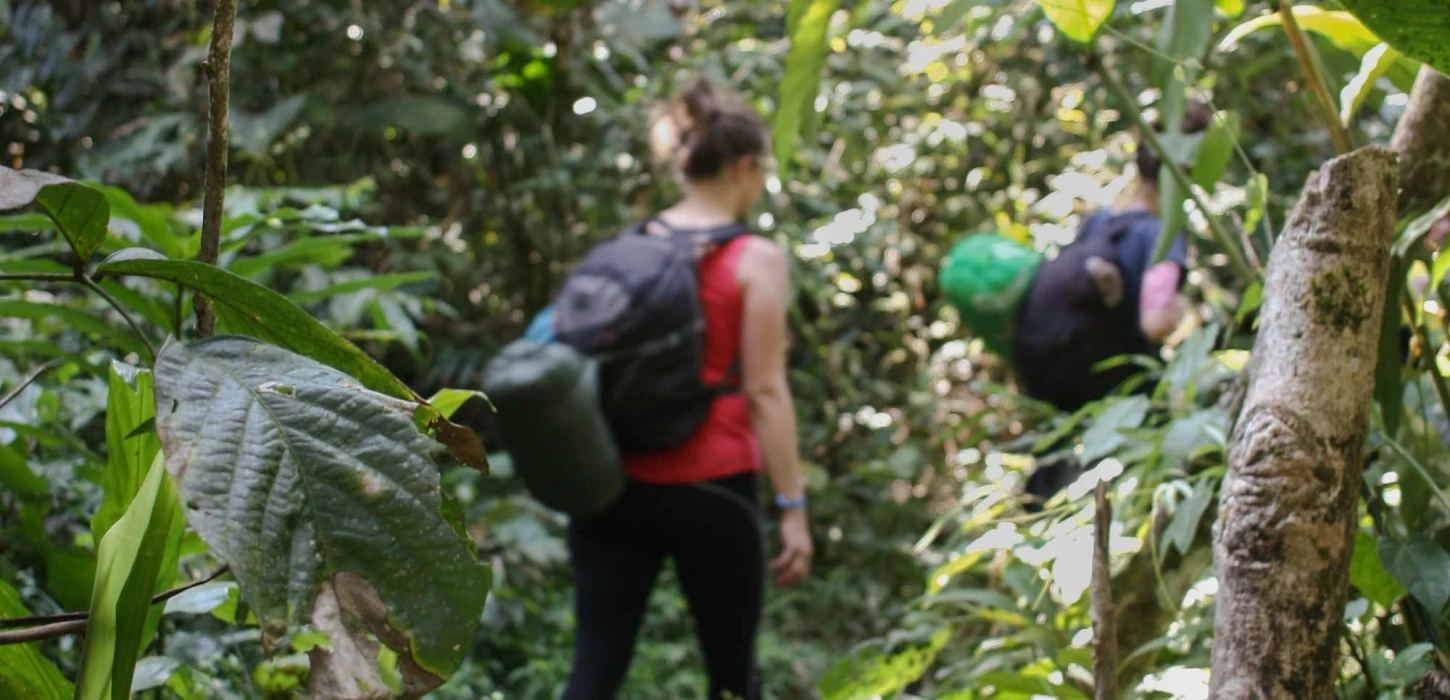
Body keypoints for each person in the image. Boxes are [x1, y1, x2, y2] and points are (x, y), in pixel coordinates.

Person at [560, 77, 812, 700]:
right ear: (743, 166)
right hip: (713, 487)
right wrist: (793, 509)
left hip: (613, 482)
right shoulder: (756, 260)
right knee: (732, 676)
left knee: (593, 671)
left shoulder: (629, 246)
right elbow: (765, 393)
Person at [1015, 103, 1209, 503]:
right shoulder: (1163, 232)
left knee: (1059, 467)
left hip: (1054, 371)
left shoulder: (1101, 220)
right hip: (1111, 387)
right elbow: (1154, 322)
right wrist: (1183, 311)